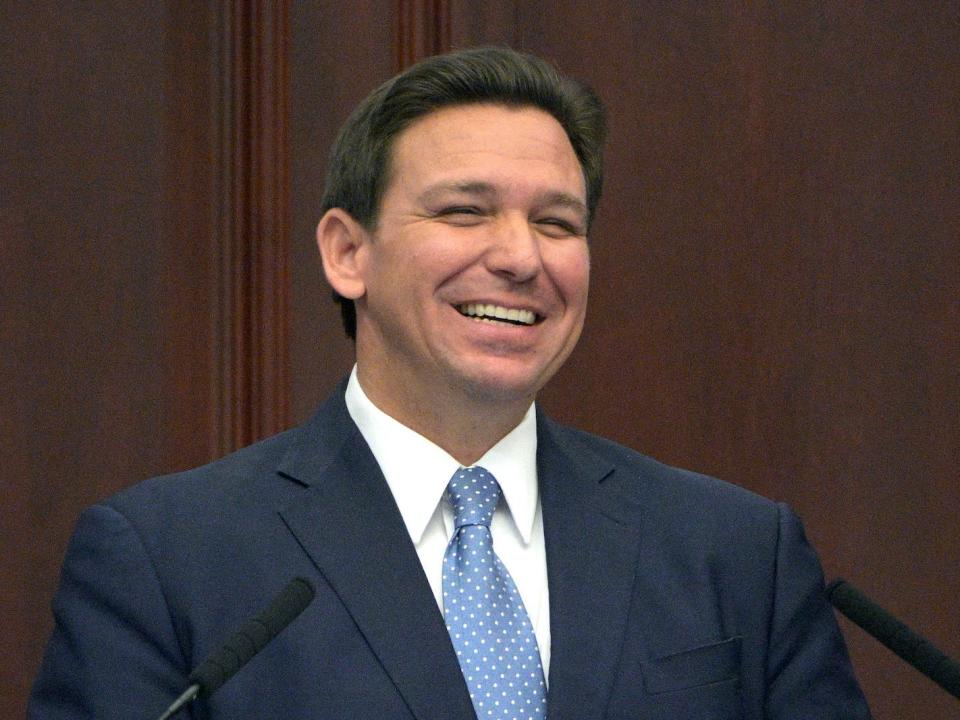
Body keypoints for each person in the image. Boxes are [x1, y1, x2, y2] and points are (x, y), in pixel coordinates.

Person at [29, 47, 871, 719]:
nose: (519, 256)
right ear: (346, 252)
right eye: (465, 212)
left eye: (556, 222)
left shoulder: (735, 552)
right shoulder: (166, 559)